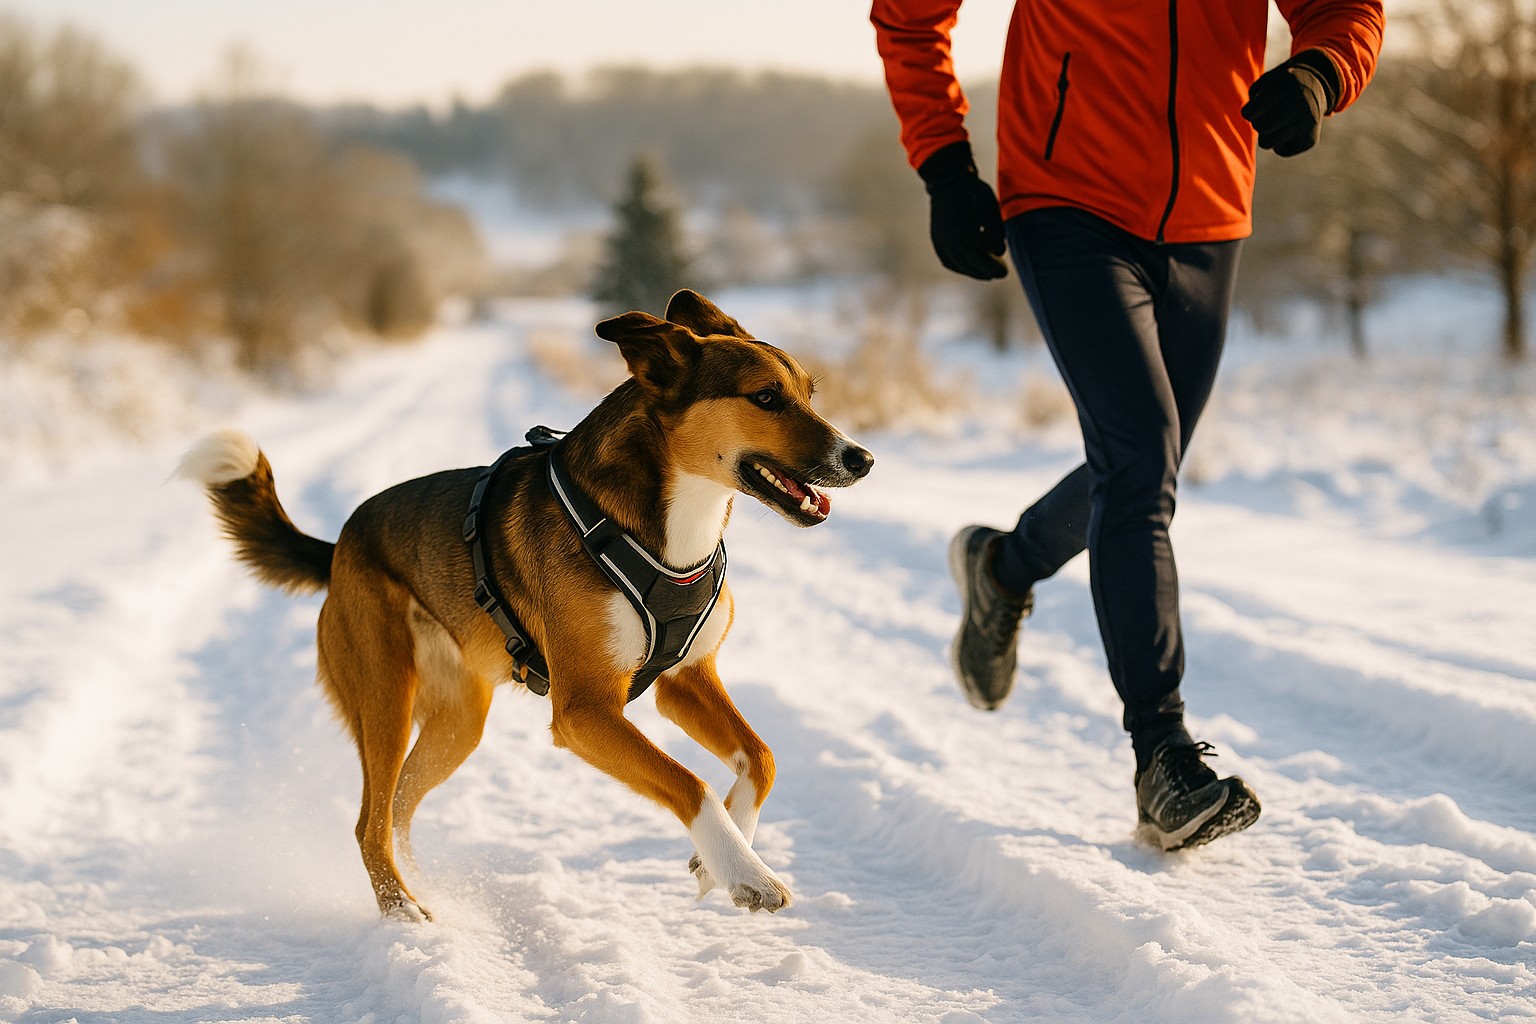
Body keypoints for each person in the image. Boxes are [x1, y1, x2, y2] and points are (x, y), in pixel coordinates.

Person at [871, 0, 1384, 850]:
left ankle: (1005, 565)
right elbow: (909, 16)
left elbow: (1344, 9)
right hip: (1065, 199)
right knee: (1141, 459)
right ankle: (1162, 754)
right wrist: (944, 166)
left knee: (1145, 462)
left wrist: (1321, 72)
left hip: (1212, 210)